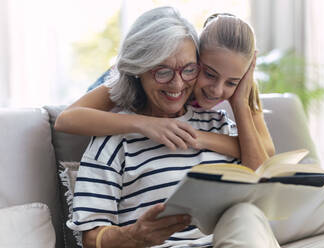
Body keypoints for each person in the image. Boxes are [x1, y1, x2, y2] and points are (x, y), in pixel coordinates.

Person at [67, 6, 280, 248]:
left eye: (189, 70)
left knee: (247, 214)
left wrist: (241, 100)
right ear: (140, 70)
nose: (177, 84)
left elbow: (263, 184)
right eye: (163, 71)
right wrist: (133, 236)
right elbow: (90, 239)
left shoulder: (218, 124)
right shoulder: (113, 139)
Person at [54, 13, 275, 171]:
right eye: (209, 73)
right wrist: (146, 123)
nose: (217, 90)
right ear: (198, 56)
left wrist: (238, 104)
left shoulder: (236, 87)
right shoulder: (141, 76)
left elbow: (264, 154)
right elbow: (67, 119)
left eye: (232, 82)